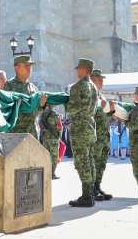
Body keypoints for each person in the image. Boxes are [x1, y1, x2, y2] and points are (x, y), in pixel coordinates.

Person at [66, 58, 99, 207]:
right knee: (90, 161)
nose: (77, 71)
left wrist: (67, 103)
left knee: (82, 162)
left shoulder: (78, 87)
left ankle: (87, 196)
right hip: (90, 126)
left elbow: (72, 108)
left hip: (80, 128)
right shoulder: (93, 86)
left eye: (79, 68)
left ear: (85, 70)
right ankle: (90, 192)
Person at [3, 56, 46, 138]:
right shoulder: (9, 86)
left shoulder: (34, 88)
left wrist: (42, 106)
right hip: (16, 134)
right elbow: (7, 111)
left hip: (32, 134)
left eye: (30, 66)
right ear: (17, 68)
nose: (29, 68)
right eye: (26, 65)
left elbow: (37, 113)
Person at [89, 69, 114, 201]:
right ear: (92, 79)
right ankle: (91, 190)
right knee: (94, 163)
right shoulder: (90, 95)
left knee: (101, 164)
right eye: (100, 79)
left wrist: (111, 111)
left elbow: (104, 117)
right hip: (95, 136)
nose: (102, 81)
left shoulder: (102, 96)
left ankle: (97, 186)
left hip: (104, 136)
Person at [39, 102, 62, 180]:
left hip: (45, 138)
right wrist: (59, 136)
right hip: (53, 139)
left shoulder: (42, 115)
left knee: (46, 156)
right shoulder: (54, 114)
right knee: (54, 157)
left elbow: (40, 126)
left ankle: (45, 172)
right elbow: (59, 126)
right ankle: (52, 173)